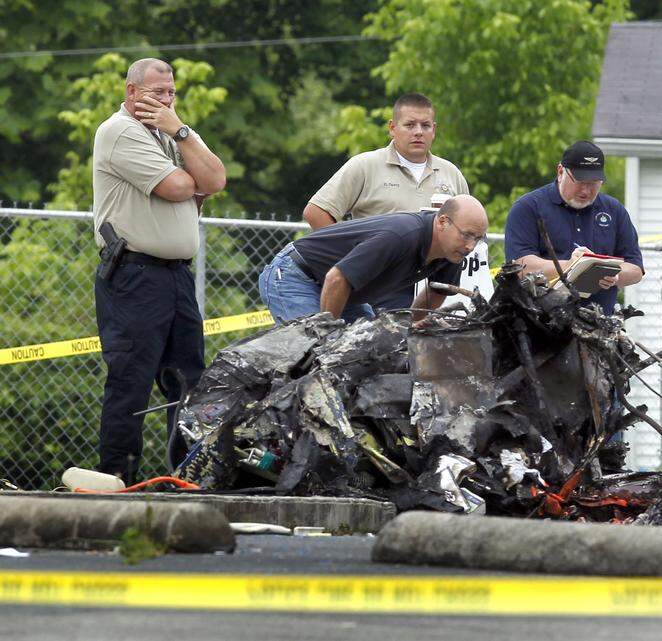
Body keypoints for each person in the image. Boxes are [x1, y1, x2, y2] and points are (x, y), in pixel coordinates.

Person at [92, 57, 227, 484]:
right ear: (132, 92)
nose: (165, 101)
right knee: (131, 379)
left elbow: (216, 179)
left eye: (170, 93)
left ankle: (187, 475)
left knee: (189, 381)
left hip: (177, 276)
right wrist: (190, 172)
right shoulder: (119, 131)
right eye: (156, 92)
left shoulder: (174, 131)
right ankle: (118, 476)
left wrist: (181, 132)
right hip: (134, 273)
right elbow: (179, 187)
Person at [302, 92, 469, 309]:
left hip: (427, 286)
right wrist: (352, 267)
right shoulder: (364, 165)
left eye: (425, 125)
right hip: (374, 284)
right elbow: (316, 212)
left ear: (434, 130)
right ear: (392, 128)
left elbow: (467, 226)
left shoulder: (451, 173)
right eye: (409, 125)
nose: (418, 132)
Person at [259, 195, 488, 323]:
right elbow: (337, 278)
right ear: (442, 222)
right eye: (466, 234)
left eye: (477, 238)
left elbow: (437, 293)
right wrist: (327, 337)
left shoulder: (453, 252)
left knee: (373, 352)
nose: (470, 246)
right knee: (316, 358)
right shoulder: (400, 236)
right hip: (296, 276)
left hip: (344, 291)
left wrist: (410, 329)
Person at [504, 141, 644, 313]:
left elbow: (636, 268)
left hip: (598, 323)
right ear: (561, 171)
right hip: (540, 322)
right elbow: (519, 266)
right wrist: (572, 266)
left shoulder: (614, 210)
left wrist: (614, 275)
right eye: (579, 181)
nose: (586, 190)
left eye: (594, 183)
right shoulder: (528, 207)